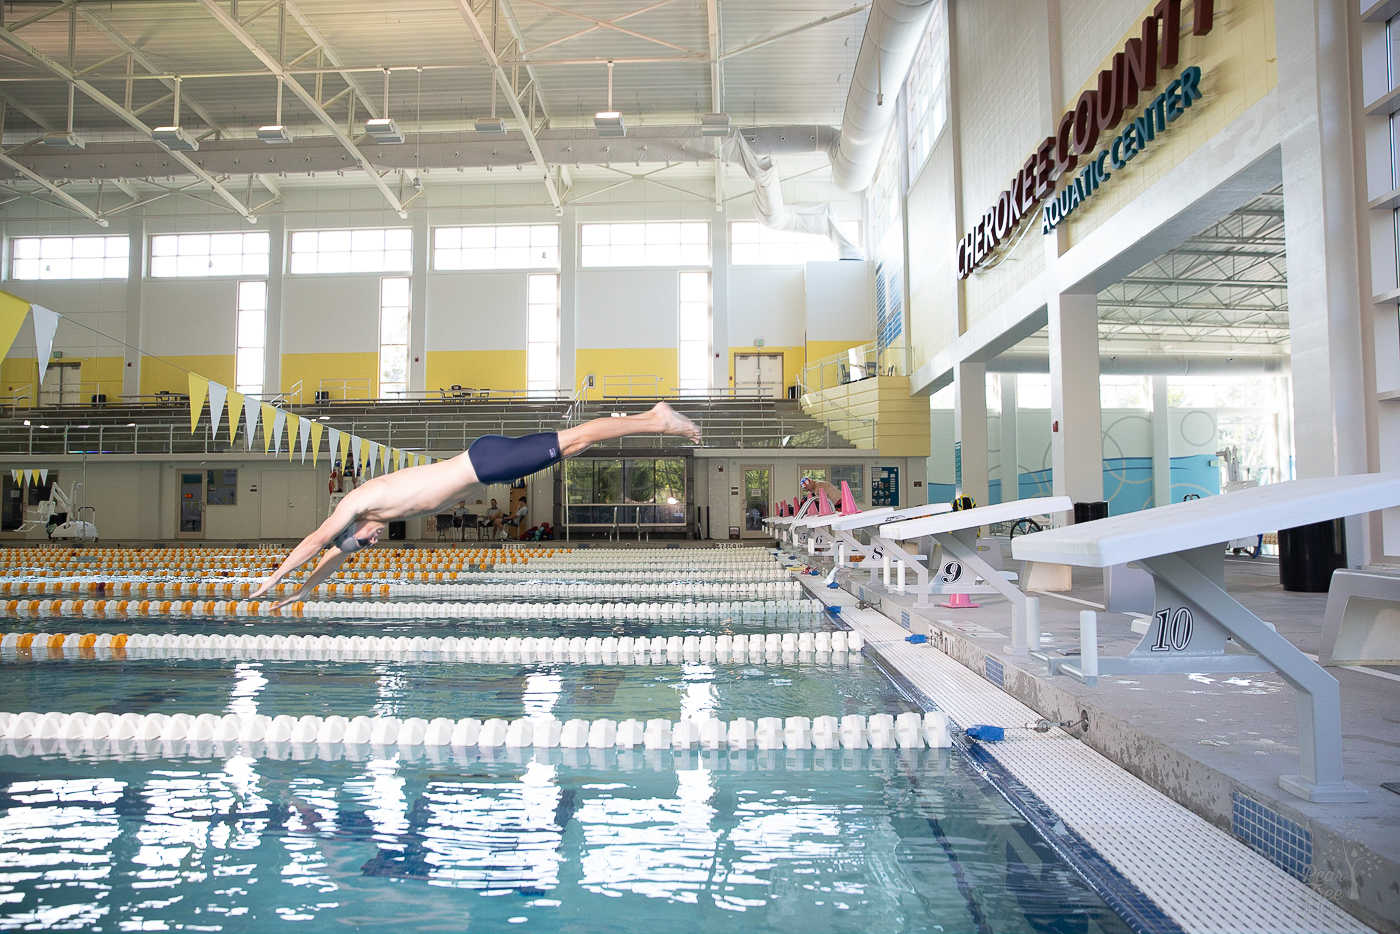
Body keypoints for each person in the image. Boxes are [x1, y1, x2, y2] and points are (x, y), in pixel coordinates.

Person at [252, 402, 701, 607]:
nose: (372, 542)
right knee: (572, 448)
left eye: (362, 542)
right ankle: (649, 420)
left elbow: (317, 541)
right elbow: (333, 558)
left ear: (354, 529)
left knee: (576, 438)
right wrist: (304, 591)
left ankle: (656, 419)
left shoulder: (358, 501)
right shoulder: (371, 519)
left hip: (484, 460)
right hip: (488, 469)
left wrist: (272, 579)